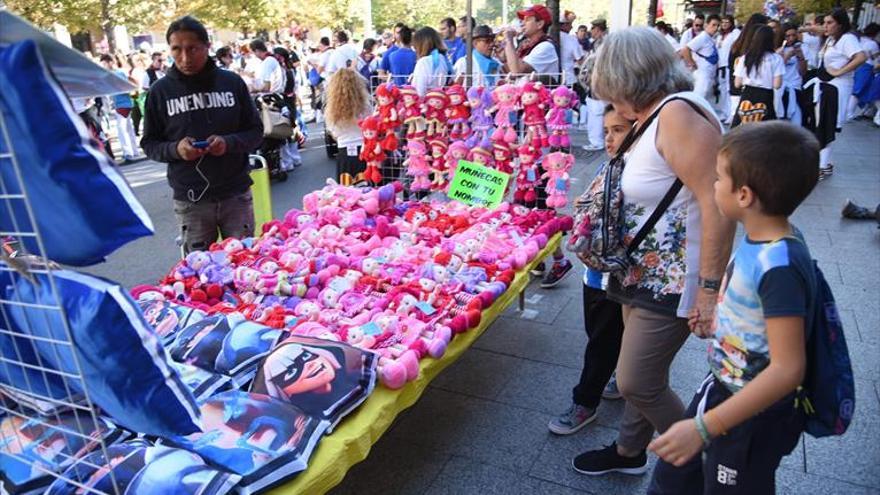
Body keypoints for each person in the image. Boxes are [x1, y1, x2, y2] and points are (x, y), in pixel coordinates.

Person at [572, 27, 735, 477]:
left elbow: (717, 203)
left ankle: (708, 465)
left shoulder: (678, 116)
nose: (615, 105)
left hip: (673, 280)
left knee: (636, 381)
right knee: (643, 378)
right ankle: (629, 452)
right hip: (643, 272)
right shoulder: (660, 113)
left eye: (615, 93)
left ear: (631, 78)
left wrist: (707, 291)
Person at [647, 121, 820, 495]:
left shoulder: (780, 266)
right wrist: (721, 319)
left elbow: (788, 369)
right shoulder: (764, 240)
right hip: (724, 386)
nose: (711, 185)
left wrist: (704, 427)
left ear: (743, 195)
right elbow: (759, 318)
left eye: (718, 178)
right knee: (672, 480)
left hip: (750, 415)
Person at [141, 16, 263, 253]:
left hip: (235, 194)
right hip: (191, 200)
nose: (184, 58)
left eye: (192, 49)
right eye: (177, 49)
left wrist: (228, 143)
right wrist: (177, 149)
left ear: (207, 47)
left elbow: (256, 132)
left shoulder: (232, 82)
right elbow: (149, 143)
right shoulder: (160, 91)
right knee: (199, 276)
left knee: (245, 265)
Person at [548, 105, 633, 436]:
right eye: (607, 129)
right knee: (598, 331)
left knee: (601, 337)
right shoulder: (609, 164)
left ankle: (586, 401)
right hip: (594, 269)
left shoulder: (638, 173)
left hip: (614, 271)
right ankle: (617, 372)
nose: (610, 137)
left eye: (619, 130)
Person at [817, 8, 867, 178]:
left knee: (829, 124)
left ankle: (822, 166)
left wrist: (840, 72)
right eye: (824, 23)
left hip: (839, 86)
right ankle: (826, 163)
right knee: (825, 122)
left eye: (830, 22)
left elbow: (861, 57)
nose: (826, 26)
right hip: (828, 85)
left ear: (840, 24)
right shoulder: (832, 39)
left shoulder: (847, 38)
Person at [324, 68, 372, 185]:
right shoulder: (365, 106)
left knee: (346, 195)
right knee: (368, 194)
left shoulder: (332, 110)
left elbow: (334, 134)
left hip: (344, 152)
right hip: (364, 149)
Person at [732, 25, 784, 125]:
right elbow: (777, 84)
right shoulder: (776, 58)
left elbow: (737, 83)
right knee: (765, 129)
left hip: (747, 93)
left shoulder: (745, 57)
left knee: (742, 125)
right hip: (766, 95)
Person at [726, 14, 770, 125]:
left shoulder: (737, 44)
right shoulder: (754, 51)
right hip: (751, 91)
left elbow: (731, 66)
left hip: (737, 86)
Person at [100, 54, 141, 162]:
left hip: (122, 104)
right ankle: (134, 151)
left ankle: (128, 153)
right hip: (124, 103)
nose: (103, 65)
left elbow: (123, 88)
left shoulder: (116, 73)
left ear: (110, 62)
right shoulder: (119, 72)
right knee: (128, 128)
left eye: (104, 63)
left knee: (122, 130)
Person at [502, 5, 559, 78]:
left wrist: (509, 40)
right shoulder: (525, 45)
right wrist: (502, 58)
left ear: (540, 24)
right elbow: (508, 70)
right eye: (522, 20)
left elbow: (517, 71)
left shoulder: (545, 47)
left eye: (527, 20)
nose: (522, 23)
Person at [579, 19, 608, 151]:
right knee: (594, 110)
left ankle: (597, 141)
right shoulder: (598, 42)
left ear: (598, 29)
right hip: (594, 81)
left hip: (599, 81)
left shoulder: (605, 43)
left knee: (597, 111)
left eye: (593, 29)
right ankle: (595, 140)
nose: (591, 32)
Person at [682, 14, 721, 103]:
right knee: (698, 101)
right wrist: (692, 63)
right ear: (706, 25)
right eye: (713, 25)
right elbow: (685, 49)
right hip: (702, 75)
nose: (716, 28)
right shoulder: (702, 37)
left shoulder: (710, 38)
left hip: (709, 75)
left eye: (718, 25)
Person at [847, 23, 880, 120]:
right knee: (859, 90)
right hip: (867, 67)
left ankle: (856, 112)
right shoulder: (873, 44)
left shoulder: (860, 40)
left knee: (858, 90)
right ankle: (850, 113)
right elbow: (875, 58)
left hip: (858, 66)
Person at [411, 27, 452, 97]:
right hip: (440, 100)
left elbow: (419, 91)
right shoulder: (443, 58)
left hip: (426, 103)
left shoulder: (424, 62)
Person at [780, 23, 808, 125]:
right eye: (788, 36)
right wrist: (786, 57)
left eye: (794, 35)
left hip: (795, 86)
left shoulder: (803, 47)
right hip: (780, 87)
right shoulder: (779, 49)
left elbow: (803, 72)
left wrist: (801, 57)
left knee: (797, 119)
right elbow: (776, 69)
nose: (791, 38)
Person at [716, 16, 741, 122]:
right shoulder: (719, 36)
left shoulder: (735, 33)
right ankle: (724, 112)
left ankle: (731, 113)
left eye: (727, 22)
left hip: (730, 64)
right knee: (722, 90)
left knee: (729, 89)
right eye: (723, 22)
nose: (725, 24)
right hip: (720, 65)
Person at [559, 10, 586, 86]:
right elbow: (580, 60)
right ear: (564, 25)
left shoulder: (549, 37)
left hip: (552, 79)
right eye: (569, 24)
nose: (571, 27)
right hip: (568, 79)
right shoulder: (571, 39)